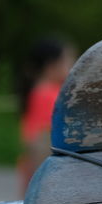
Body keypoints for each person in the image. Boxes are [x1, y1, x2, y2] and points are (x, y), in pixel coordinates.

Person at [17, 35, 75, 194]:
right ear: (51, 66)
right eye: (68, 61)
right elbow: (40, 139)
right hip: (44, 173)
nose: (72, 67)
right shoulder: (48, 95)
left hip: (37, 170)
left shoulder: (40, 91)